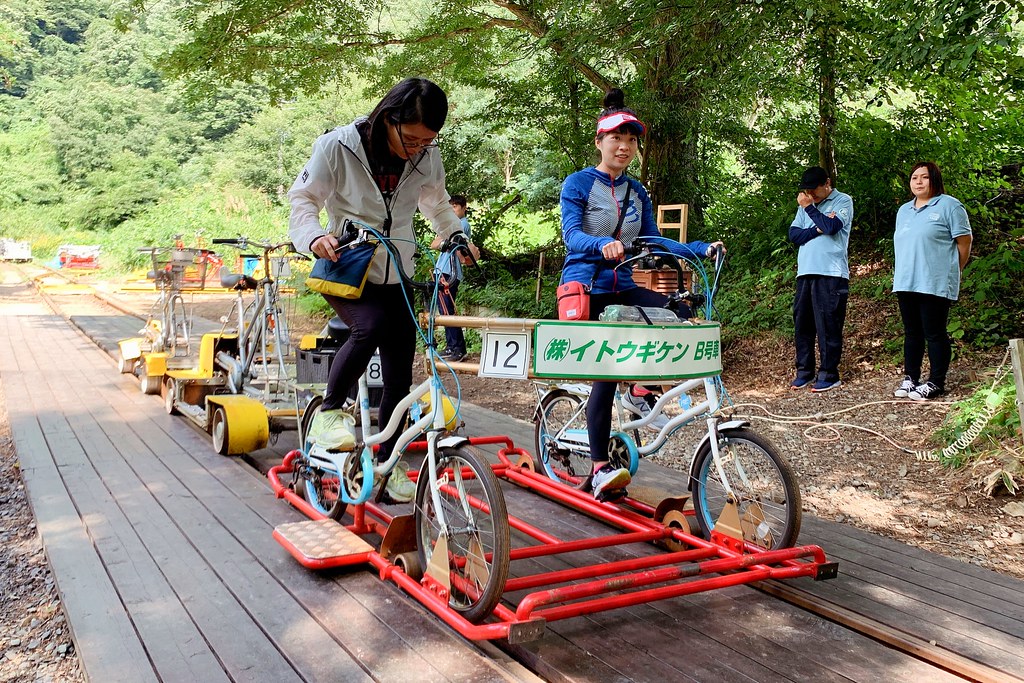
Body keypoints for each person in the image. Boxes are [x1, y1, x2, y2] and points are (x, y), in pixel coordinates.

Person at [288, 77, 474, 503]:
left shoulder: (427, 155)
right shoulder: (338, 147)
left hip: (399, 271)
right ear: (387, 118)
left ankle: (389, 465)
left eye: (426, 142)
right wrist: (313, 237)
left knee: (398, 375)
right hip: (346, 265)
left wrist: (454, 235)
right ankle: (330, 412)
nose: (416, 149)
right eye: (410, 138)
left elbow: (436, 202)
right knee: (368, 328)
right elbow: (302, 200)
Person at [560, 88, 725, 501]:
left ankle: (639, 386)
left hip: (625, 285)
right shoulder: (579, 183)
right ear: (600, 141)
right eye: (617, 138)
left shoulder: (636, 191)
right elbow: (571, 234)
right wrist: (600, 245)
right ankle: (599, 468)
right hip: (588, 286)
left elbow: (653, 239)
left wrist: (699, 248)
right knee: (604, 374)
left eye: (632, 140)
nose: (625, 146)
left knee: (676, 312)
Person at [892, 162, 972, 401]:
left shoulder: (950, 206)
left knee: (934, 333)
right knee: (912, 332)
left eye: (924, 177)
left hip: (934, 281)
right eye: (914, 177)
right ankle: (910, 378)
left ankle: (936, 382)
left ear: (934, 180)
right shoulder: (904, 210)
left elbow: (964, 242)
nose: (918, 182)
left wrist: (954, 269)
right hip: (907, 280)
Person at [788, 166, 854, 393]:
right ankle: (804, 372)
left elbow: (832, 227)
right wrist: (816, 229)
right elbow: (794, 235)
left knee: (828, 324)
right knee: (803, 324)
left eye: (814, 190)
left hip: (831, 272)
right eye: (807, 191)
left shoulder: (843, 201)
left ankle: (829, 374)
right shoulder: (807, 205)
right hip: (805, 271)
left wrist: (812, 213)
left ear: (827, 183)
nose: (810, 195)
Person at [430, 194, 471, 362]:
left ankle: (457, 348)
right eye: (451, 207)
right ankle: (452, 346)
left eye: (455, 206)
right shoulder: (453, 226)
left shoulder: (462, 224)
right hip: (443, 270)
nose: (453, 210)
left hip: (449, 272)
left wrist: (443, 241)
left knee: (448, 310)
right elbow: (434, 243)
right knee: (445, 310)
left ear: (463, 208)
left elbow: (444, 243)